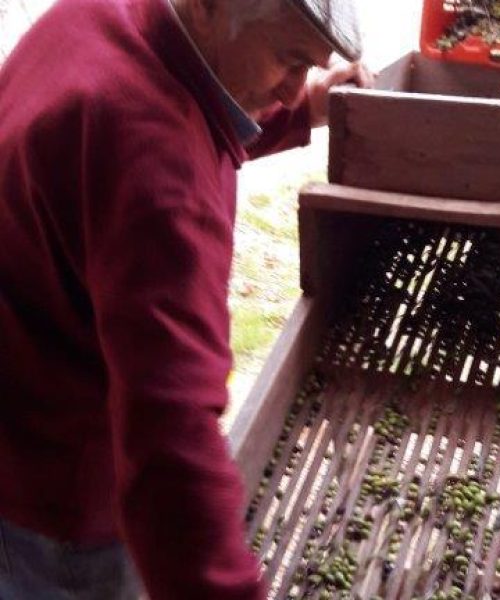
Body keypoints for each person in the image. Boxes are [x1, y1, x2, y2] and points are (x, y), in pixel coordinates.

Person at [0, 0, 372, 598]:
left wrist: (301, 110)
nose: (292, 86)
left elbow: (172, 113)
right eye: (289, 58)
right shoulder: (157, 175)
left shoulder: (106, 19)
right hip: (53, 494)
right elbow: (170, 449)